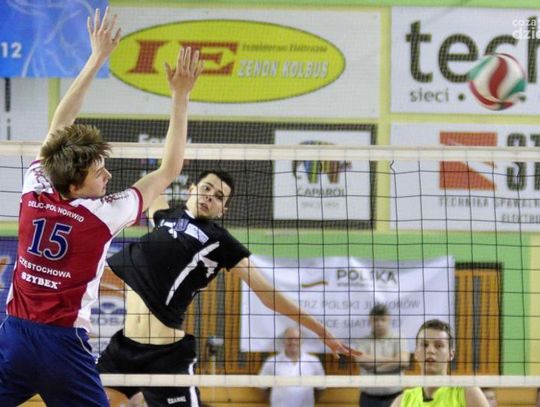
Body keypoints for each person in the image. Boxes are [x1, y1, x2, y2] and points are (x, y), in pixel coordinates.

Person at [0, 7, 203, 406]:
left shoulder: (35, 191)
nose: (108, 175)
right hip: (62, 349)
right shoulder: (102, 216)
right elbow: (170, 169)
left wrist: (96, 58)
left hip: (15, 338)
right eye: (99, 172)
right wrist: (180, 96)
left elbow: (60, 123)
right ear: (76, 184)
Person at [97, 170, 361, 407]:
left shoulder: (220, 240)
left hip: (166, 357)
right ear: (191, 189)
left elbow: (268, 295)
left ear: (223, 210)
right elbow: (161, 177)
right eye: (206, 188)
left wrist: (321, 331)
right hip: (124, 348)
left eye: (219, 197)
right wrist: (171, 158)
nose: (210, 196)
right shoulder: (165, 218)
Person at [390, 319, 489, 407]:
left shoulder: (467, 392)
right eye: (425, 345)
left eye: (438, 345)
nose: (430, 350)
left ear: (451, 354)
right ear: (416, 353)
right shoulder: (402, 401)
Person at [353, 303, 409, 407]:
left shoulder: (399, 339)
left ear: (389, 320)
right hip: (368, 398)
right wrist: (393, 359)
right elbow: (362, 360)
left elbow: (403, 362)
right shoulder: (362, 341)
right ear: (370, 321)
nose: (379, 323)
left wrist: (376, 369)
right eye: (375, 320)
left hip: (395, 396)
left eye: (383, 319)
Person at [259, 326, 325, 407]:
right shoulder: (272, 361)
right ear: (284, 341)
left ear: (302, 341)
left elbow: (320, 388)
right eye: (289, 339)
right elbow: (262, 387)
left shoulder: (314, 361)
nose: (293, 342)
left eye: (296, 339)